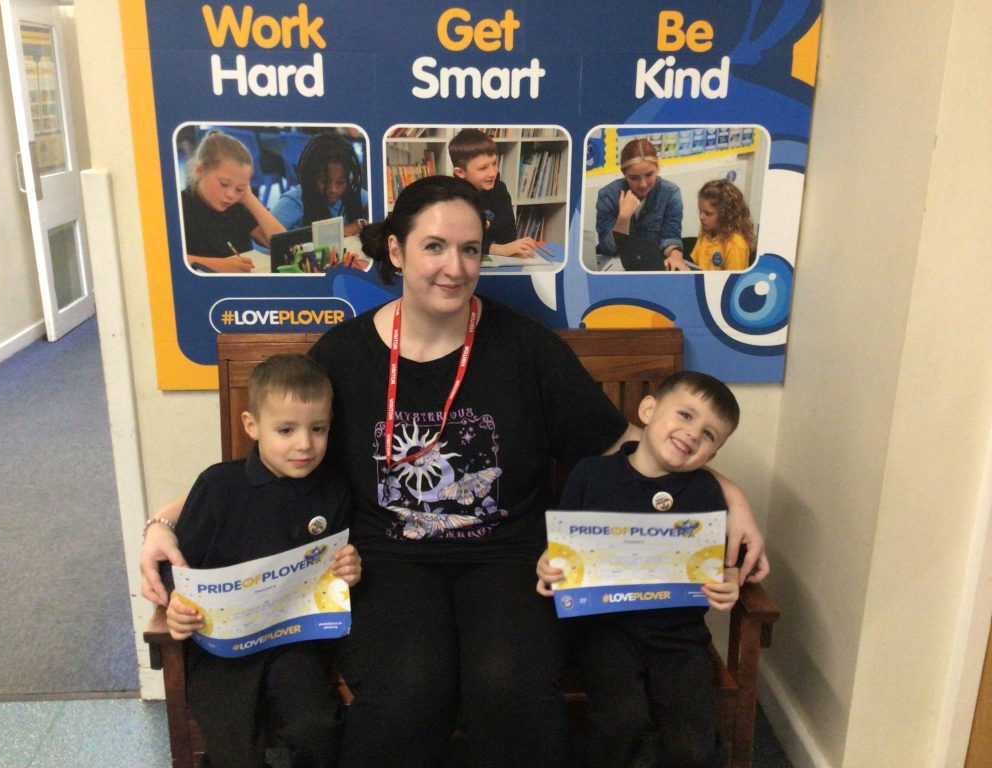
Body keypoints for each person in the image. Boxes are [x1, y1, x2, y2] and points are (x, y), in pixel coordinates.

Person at [140, 176, 768, 767]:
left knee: (509, 687)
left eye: (470, 249)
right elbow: (271, 463)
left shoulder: (524, 346)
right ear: (396, 251)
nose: (456, 267)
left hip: (510, 555)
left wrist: (731, 496)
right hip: (384, 557)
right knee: (408, 690)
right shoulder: (345, 355)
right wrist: (165, 522)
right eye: (435, 246)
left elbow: (629, 445)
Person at [158, 354, 362, 768]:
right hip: (221, 646)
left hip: (293, 643)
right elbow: (176, 564)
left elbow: (337, 571)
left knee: (318, 728)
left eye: (318, 429)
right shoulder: (218, 486)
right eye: (286, 430)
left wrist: (350, 569)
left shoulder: (334, 491)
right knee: (234, 749)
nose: (304, 444)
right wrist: (176, 600)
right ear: (251, 426)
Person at [536, 371, 743, 768]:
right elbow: (560, 549)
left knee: (693, 744)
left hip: (679, 635)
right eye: (685, 415)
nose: (693, 433)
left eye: (709, 434)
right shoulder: (590, 474)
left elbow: (722, 565)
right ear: (648, 410)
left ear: (712, 455)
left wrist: (729, 583)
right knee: (620, 722)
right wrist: (549, 565)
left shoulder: (706, 491)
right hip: (605, 629)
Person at [181, 131, 285, 273]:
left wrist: (248, 197)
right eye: (224, 184)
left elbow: (283, 245)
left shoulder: (238, 204)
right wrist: (221, 265)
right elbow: (165, 258)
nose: (231, 195)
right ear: (200, 171)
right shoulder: (180, 207)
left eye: (239, 188)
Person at [594, 137, 684, 270]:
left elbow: (670, 237)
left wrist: (676, 256)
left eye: (649, 175)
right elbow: (609, 249)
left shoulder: (670, 193)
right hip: (615, 264)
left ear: (657, 169)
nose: (643, 184)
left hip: (651, 263)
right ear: (624, 174)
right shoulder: (608, 195)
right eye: (634, 178)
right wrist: (623, 217)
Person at [449, 128, 539, 258]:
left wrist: (486, 224)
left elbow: (509, 235)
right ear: (460, 172)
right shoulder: (452, 197)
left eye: (494, 164)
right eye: (483, 168)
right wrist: (496, 249)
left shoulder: (499, 189)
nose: (493, 173)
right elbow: (456, 243)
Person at [271, 131, 368, 237]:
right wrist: (349, 229)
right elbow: (264, 238)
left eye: (340, 183)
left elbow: (378, 213)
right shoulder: (295, 201)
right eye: (325, 181)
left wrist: (361, 224)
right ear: (312, 176)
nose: (333, 189)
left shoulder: (353, 193)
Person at [682, 179, 756, 271]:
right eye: (700, 211)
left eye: (708, 213)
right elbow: (697, 265)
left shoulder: (735, 245)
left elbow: (732, 279)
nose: (701, 217)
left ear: (725, 215)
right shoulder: (706, 231)